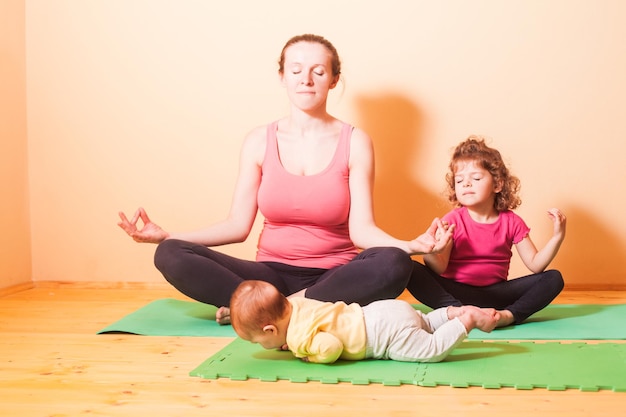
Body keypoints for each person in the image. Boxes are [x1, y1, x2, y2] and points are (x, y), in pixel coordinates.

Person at [118, 34, 453, 324]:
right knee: (170, 253)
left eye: (318, 71)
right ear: (282, 76)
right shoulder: (257, 140)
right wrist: (168, 236)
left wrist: (410, 247)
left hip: (334, 278)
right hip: (268, 276)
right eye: (296, 70)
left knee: (394, 263)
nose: (306, 79)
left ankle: (271, 310)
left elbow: (362, 231)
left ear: (334, 80)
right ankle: (278, 305)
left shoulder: (356, 141)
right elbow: (237, 225)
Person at [407, 136, 566, 327]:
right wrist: (432, 250)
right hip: (457, 294)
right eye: (459, 180)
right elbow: (439, 268)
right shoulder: (451, 220)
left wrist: (557, 236)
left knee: (553, 278)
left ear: (497, 184)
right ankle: (458, 312)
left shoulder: (512, 221)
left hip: (498, 295)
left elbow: (535, 265)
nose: (466, 184)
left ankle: (507, 316)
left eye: (475, 178)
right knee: (410, 268)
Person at [230, 280, 499, 364]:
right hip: (382, 311)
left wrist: (309, 355)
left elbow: (331, 346)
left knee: (430, 349)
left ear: (270, 330)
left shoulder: (298, 338)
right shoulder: (296, 304)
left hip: (379, 335)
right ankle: (448, 314)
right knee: (424, 322)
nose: (261, 344)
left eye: (258, 340)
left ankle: (467, 319)